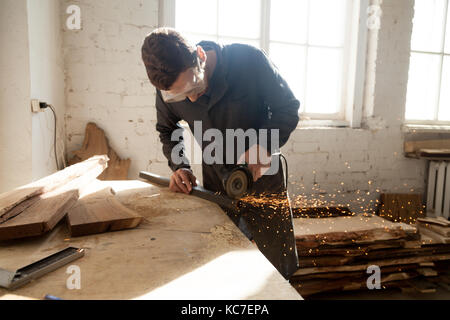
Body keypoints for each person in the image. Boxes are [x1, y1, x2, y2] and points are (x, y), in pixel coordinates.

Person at [141, 27, 299, 279]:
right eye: (180, 96)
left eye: (192, 87)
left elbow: (288, 108)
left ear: (201, 56)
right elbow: (166, 128)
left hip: (264, 180)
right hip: (216, 186)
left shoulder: (249, 62)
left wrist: (264, 144)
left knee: (277, 269)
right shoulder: (170, 86)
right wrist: (180, 166)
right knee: (221, 262)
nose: (190, 100)